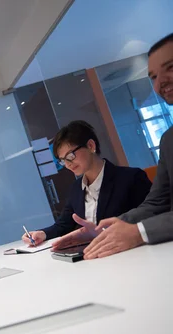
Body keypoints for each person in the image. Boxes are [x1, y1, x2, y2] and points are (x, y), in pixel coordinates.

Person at [53, 33, 173, 258]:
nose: (160, 82)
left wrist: (139, 232)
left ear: (90, 146)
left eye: (170, 67)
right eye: (153, 77)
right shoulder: (168, 140)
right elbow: (158, 202)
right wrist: (105, 230)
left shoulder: (129, 177)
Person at [22, 120, 152, 246]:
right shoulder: (76, 188)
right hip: (93, 253)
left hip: (127, 249)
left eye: (70, 156)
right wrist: (42, 234)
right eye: (62, 160)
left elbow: (149, 216)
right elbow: (63, 224)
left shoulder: (131, 178)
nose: (68, 164)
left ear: (91, 146)